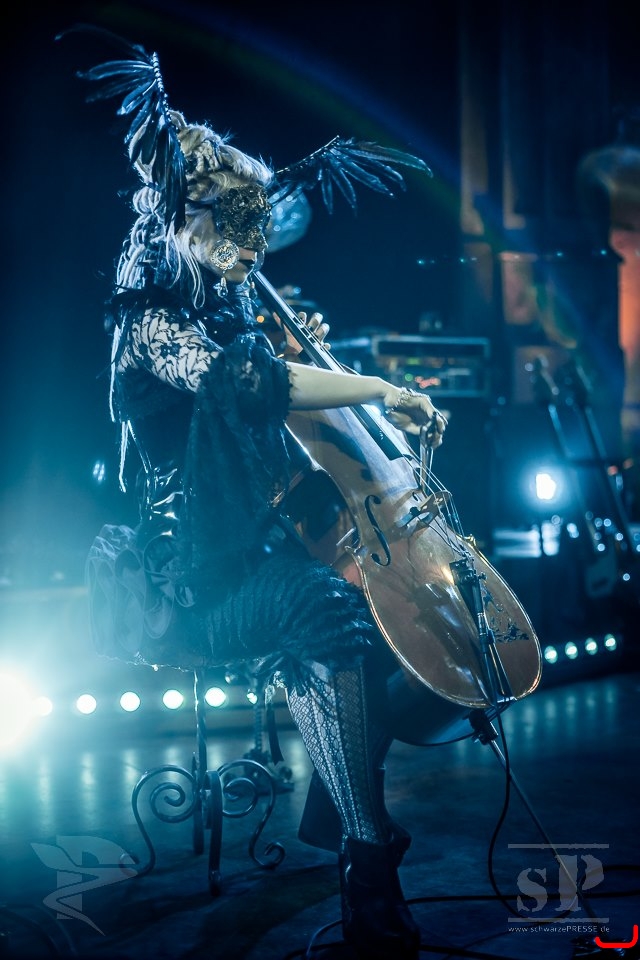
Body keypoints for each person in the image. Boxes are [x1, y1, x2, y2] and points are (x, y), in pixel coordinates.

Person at [75, 28, 446, 960]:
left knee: (386, 617)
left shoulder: (223, 300)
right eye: (235, 233)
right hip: (188, 576)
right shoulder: (152, 323)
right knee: (327, 612)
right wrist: (380, 387)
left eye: (256, 233)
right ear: (186, 224)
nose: (253, 251)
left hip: (251, 542)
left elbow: (270, 387)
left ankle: (335, 807)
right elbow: (256, 388)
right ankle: (368, 864)